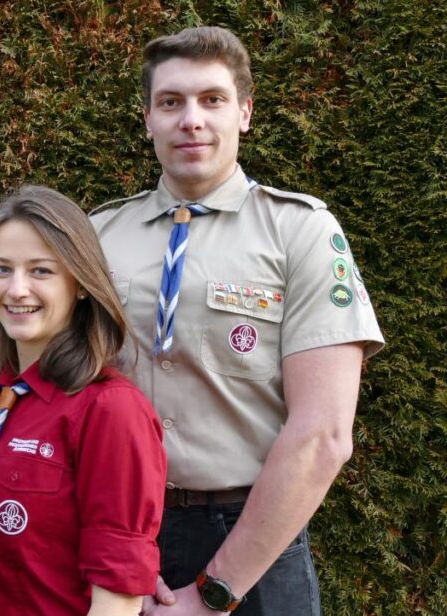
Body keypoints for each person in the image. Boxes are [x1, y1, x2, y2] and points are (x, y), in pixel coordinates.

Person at [90, 26, 385, 615]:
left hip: (251, 546)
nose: (190, 120)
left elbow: (323, 435)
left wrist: (217, 590)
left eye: (212, 100)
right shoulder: (97, 236)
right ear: (147, 119)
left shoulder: (300, 230)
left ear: (245, 113)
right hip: (123, 533)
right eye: (170, 102)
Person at [0, 185, 167, 615]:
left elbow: (116, 598)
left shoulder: (111, 411)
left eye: (41, 271)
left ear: (80, 283)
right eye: (2, 269)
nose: (16, 289)